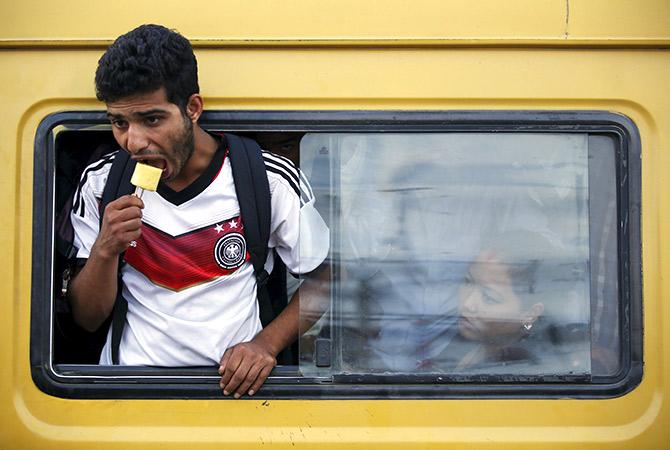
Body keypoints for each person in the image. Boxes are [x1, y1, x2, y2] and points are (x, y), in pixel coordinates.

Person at [67, 24, 329, 397]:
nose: (134, 141)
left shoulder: (266, 179)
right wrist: (105, 249)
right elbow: (87, 318)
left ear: (192, 108)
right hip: (128, 392)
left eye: (152, 120)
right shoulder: (101, 183)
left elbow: (327, 281)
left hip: (234, 394)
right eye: (119, 123)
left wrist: (265, 345)